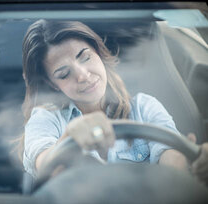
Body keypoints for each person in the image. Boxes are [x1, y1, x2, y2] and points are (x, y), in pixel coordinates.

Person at [18, 19, 189, 179]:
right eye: (64, 74)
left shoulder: (144, 107)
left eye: (85, 57)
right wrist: (69, 139)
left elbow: (172, 155)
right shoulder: (45, 118)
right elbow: (44, 164)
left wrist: (191, 163)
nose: (83, 75)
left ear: (97, 52)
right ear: (53, 84)